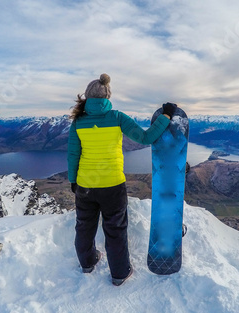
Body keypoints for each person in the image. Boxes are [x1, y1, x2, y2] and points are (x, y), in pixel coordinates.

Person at [67, 73, 177, 286]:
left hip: (85, 185)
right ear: (108, 96)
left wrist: (73, 180)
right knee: (115, 230)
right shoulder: (117, 117)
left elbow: (73, 155)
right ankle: (119, 273)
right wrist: (166, 116)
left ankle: (87, 263)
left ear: (87, 97)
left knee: (84, 226)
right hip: (112, 185)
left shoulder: (78, 122)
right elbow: (146, 137)